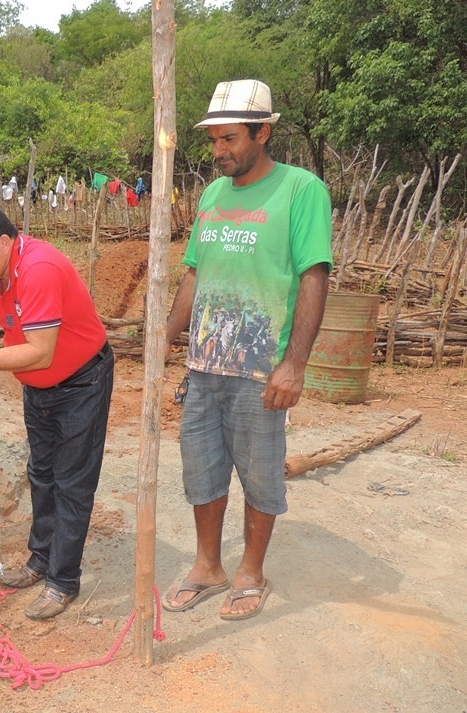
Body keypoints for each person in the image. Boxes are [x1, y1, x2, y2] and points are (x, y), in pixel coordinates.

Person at [163, 79, 333, 620]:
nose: (218, 151)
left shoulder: (301, 190)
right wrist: (164, 339)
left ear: (263, 133)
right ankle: (209, 565)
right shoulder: (213, 196)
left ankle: (251, 570)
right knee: (202, 470)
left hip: (261, 368)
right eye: (214, 139)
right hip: (205, 361)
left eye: (229, 138)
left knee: (260, 473)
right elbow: (194, 275)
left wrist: (294, 364)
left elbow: (313, 276)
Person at [0, 203, 113, 620]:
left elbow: (40, 350)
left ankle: (63, 581)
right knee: (42, 474)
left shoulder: (39, 269)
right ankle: (40, 561)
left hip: (81, 382)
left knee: (72, 481)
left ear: (5, 242)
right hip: (40, 386)